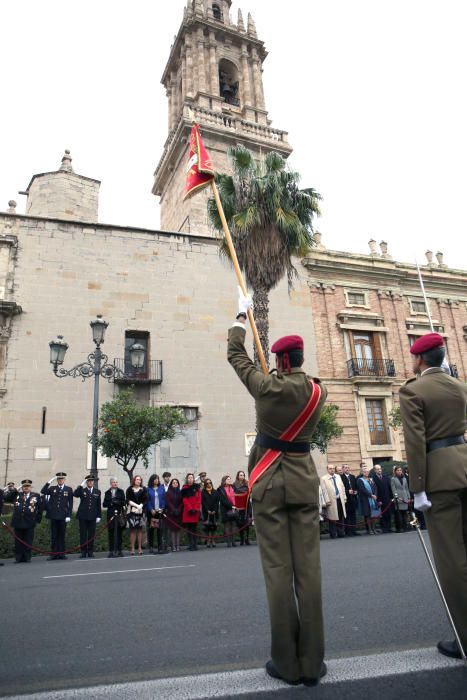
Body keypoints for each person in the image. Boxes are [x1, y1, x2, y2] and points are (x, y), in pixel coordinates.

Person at [227, 290, 328, 686]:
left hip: (269, 484)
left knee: (277, 572)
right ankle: (313, 662)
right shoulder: (318, 392)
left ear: (281, 361)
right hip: (303, 483)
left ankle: (286, 663)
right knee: (310, 573)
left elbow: (238, 358)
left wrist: (241, 316)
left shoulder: (267, 388)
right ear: (300, 360)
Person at [399, 332, 467, 659]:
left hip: (439, 479)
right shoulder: (460, 387)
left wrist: (418, 488)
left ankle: (464, 637)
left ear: (419, 359)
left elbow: (415, 442)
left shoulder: (413, 390)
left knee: (452, 559)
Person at [4, 480, 43, 563]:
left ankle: (27, 557)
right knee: (18, 541)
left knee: (28, 540)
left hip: (29, 522)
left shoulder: (36, 495)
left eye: (28, 486)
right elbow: (7, 498)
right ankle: (18, 558)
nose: (26, 488)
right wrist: (14, 491)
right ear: (22, 487)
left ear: (30, 487)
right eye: (24, 486)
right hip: (18, 522)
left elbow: (40, 509)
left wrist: (37, 520)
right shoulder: (17, 494)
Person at [41, 471, 74, 560]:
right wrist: (49, 482)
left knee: (62, 535)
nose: (60, 480)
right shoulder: (52, 488)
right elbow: (43, 491)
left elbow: (70, 503)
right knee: (54, 535)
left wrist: (69, 515)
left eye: (62, 479)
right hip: (54, 515)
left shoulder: (69, 489)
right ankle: (54, 554)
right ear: (57, 480)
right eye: (59, 479)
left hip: (63, 516)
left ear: (64, 479)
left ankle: (62, 553)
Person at [74, 475, 102, 558]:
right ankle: (83, 551)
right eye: (88, 481)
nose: (90, 482)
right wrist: (81, 484)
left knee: (91, 534)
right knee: (83, 534)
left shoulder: (97, 491)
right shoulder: (82, 490)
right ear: (86, 482)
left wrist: (99, 516)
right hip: (83, 516)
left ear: (93, 482)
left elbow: (98, 505)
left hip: (92, 516)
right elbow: (75, 494)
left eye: (91, 481)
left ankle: (90, 551)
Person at [320, 465, 347, 538]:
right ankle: (333, 533)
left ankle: (341, 532)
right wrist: (327, 500)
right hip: (331, 501)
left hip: (340, 500)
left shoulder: (338, 476)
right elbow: (324, 490)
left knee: (340, 517)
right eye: (330, 469)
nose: (332, 470)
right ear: (327, 469)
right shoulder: (323, 478)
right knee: (332, 518)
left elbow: (342, 487)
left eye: (332, 469)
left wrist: (344, 497)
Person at [103, 477, 126, 557]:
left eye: (116, 482)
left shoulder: (121, 491)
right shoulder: (107, 492)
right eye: (113, 482)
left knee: (119, 533)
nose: (115, 483)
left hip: (119, 515)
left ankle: (119, 550)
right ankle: (111, 551)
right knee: (111, 533)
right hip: (111, 515)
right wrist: (111, 503)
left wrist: (117, 502)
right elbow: (104, 504)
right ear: (111, 483)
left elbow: (123, 502)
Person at [125, 475, 147, 555]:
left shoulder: (144, 489)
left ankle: (140, 548)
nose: (138, 481)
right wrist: (136, 506)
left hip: (141, 512)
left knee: (140, 530)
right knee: (133, 530)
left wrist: (140, 506)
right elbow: (127, 499)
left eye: (140, 480)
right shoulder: (129, 489)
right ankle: (133, 548)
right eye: (137, 479)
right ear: (134, 480)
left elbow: (145, 499)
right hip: (132, 512)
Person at [181, 473, 201, 551]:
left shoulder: (197, 487)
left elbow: (199, 499)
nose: (190, 479)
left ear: (193, 479)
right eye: (189, 478)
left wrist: (195, 508)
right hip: (188, 511)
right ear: (187, 479)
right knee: (189, 529)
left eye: (191, 478)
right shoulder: (184, 488)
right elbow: (184, 500)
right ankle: (190, 544)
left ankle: (195, 544)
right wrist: (190, 508)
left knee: (194, 529)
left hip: (195, 511)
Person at [146, 474, 166, 554]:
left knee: (159, 530)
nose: (156, 480)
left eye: (157, 479)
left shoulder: (161, 488)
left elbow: (164, 499)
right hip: (152, 513)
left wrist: (162, 508)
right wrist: (151, 509)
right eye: (155, 479)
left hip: (159, 512)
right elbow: (147, 501)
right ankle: (151, 546)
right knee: (151, 530)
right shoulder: (148, 489)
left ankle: (160, 546)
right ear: (152, 480)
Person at [357, 466, 379, 535]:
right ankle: (369, 530)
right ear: (362, 472)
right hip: (366, 500)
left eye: (367, 472)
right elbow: (362, 489)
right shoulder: (360, 480)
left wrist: (375, 495)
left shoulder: (371, 479)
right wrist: (371, 495)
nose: (366, 473)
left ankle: (374, 528)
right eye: (365, 472)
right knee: (368, 515)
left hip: (373, 499)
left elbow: (375, 488)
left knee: (374, 515)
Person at [218, 475, 239, 547]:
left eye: (230, 479)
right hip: (225, 509)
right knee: (227, 525)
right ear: (224, 481)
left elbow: (236, 497)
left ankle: (233, 541)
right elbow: (223, 500)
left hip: (234, 508)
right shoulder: (220, 489)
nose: (229, 480)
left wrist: (235, 506)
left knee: (233, 524)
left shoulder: (233, 487)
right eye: (228, 479)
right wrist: (231, 506)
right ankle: (228, 542)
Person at [372, 464, 393, 533]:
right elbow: (374, 490)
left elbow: (389, 488)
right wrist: (378, 500)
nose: (379, 470)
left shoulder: (385, 477)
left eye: (380, 469)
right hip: (380, 499)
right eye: (378, 469)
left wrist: (391, 497)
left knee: (388, 513)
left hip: (387, 498)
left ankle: (389, 527)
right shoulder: (373, 478)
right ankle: (384, 528)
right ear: (375, 470)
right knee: (382, 514)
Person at [340, 464, 359, 536]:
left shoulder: (352, 477)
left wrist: (356, 491)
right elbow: (341, 489)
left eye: (348, 467)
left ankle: (354, 530)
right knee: (347, 516)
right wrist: (347, 491)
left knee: (353, 515)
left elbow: (356, 486)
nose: (347, 469)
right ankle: (348, 531)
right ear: (343, 469)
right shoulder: (340, 477)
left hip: (353, 499)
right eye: (345, 468)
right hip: (346, 500)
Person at [234, 470, 251, 545]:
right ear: (238, 476)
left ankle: (247, 539)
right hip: (238, 507)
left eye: (243, 475)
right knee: (240, 524)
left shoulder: (247, 483)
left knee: (247, 523)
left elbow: (249, 493)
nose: (242, 476)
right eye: (240, 475)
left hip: (246, 506)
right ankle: (241, 539)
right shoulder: (234, 484)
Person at [390, 466, 410, 533]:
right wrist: (396, 497)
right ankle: (399, 527)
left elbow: (406, 488)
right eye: (398, 470)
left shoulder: (404, 478)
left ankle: (405, 527)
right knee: (399, 514)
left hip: (405, 497)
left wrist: (408, 497)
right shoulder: (393, 479)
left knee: (404, 514)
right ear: (395, 471)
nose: (399, 471)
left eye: (400, 470)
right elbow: (393, 489)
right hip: (398, 497)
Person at [201, 478, 219, 547]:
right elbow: (203, 502)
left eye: (210, 483)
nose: (209, 484)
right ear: (205, 484)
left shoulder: (215, 491)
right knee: (207, 527)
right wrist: (207, 510)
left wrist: (215, 510)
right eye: (207, 483)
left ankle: (213, 540)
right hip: (206, 512)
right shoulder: (203, 492)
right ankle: (208, 540)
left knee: (214, 526)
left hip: (214, 512)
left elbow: (217, 502)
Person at [165, 478, 182, 552]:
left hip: (178, 513)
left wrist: (178, 510)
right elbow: (168, 502)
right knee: (172, 530)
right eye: (173, 482)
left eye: (176, 482)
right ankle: (173, 546)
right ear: (171, 484)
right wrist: (173, 510)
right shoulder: (168, 492)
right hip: (171, 513)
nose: (175, 484)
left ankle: (178, 546)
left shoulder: (180, 492)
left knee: (178, 530)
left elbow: (182, 502)